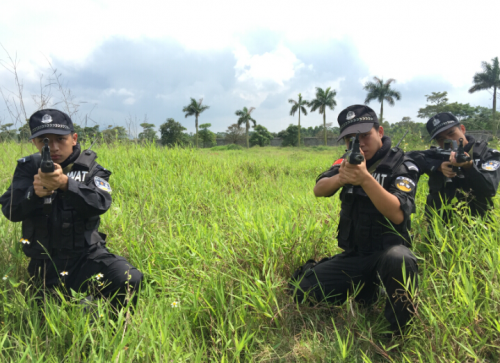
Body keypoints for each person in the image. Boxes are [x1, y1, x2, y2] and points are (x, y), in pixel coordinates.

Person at [290, 105, 420, 333]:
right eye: (351, 138)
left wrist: (365, 179)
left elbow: (398, 214)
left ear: (379, 132)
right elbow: (319, 189)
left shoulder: (401, 164)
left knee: (400, 258)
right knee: (302, 290)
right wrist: (341, 178)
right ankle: (367, 290)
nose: (359, 143)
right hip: (356, 256)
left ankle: (400, 334)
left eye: (364, 135)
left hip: (387, 255)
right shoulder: (346, 161)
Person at [0, 109, 143, 311]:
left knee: (128, 277)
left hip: (87, 258)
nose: (54, 147)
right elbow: (10, 210)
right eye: (44, 140)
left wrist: (67, 185)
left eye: (61, 139)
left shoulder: (91, 169)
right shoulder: (28, 167)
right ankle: (84, 306)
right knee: (46, 316)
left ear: (74, 138)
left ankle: (112, 328)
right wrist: (34, 193)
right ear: (35, 143)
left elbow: (101, 203)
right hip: (45, 263)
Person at [408, 112, 500, 223]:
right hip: (439, 224)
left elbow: (489, 190)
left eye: (451, 133)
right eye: (441, 139)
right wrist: (437, 166)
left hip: (478, 225)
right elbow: (408, 156)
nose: (449, 140)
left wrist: (469, 166)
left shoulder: (487, 154)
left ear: (462, 129)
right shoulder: (437, 154)